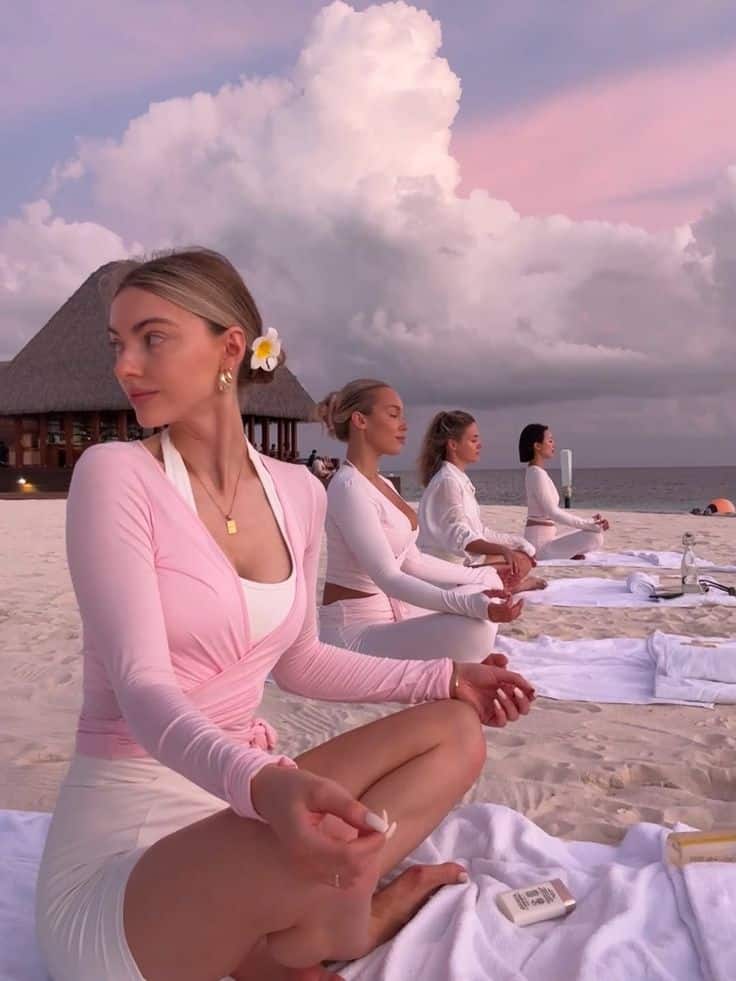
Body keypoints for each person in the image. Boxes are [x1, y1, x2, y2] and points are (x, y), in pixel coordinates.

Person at [34, 249, 536, 981]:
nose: (126, 366)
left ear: (229, 348)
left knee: (455, 732)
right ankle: (340, 921)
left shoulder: (299, 491)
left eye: (153, 338)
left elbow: (300, 660)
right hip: (130, 848)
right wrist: (266, 786)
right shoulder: (115, 476)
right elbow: (143, 688)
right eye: (119, 344)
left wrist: (444, 676)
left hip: (242, 799)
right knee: (303, 841)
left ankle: (299, 927)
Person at [317, 380, 524, 664]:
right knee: (475, 624)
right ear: (360, 420)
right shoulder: (348, 486)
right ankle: (463, 658)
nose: (403, 425)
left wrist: (484, 577)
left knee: (485, 591)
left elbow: (413, 561)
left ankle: (464, 654)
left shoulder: (384, 485)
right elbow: (388, 577)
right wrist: (469, 606)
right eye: (393, 415)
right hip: (353, 631)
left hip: (395, 612)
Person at [417, 411, 546, 593]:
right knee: (520, 561)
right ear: (453, 445)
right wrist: (502, 550)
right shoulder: (448, 481)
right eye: (473, 440)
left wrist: (514, 542)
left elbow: (479, 531)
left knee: (522, 555)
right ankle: (509, 588)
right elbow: (460, 536)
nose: (480, 445)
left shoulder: (456, 478)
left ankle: (501, 585)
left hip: (462, 561)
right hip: (445, 573)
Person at [519, 423, 608, 561]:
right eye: (549, 440)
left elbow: (553, 516)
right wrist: (588, 524)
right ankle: (566, 552)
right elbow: (553, 513)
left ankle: (568, 551)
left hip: (546, 537)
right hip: (540, 548)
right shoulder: (536, 473)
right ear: (537, 446)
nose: (553, 444)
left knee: (592, 531)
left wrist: (591, 522)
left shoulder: (536, 472)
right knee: (595, 537)